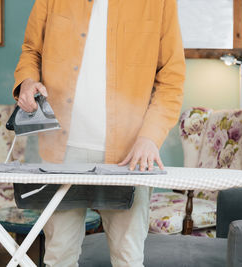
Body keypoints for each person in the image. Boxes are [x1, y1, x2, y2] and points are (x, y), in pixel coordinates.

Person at [12, 0, 185, 266]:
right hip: (60, 151)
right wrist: (27, 81)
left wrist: (149, 137)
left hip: (129, 155)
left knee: (128, 258)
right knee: (59, 256)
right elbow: (31, 51)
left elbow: (171, 78)